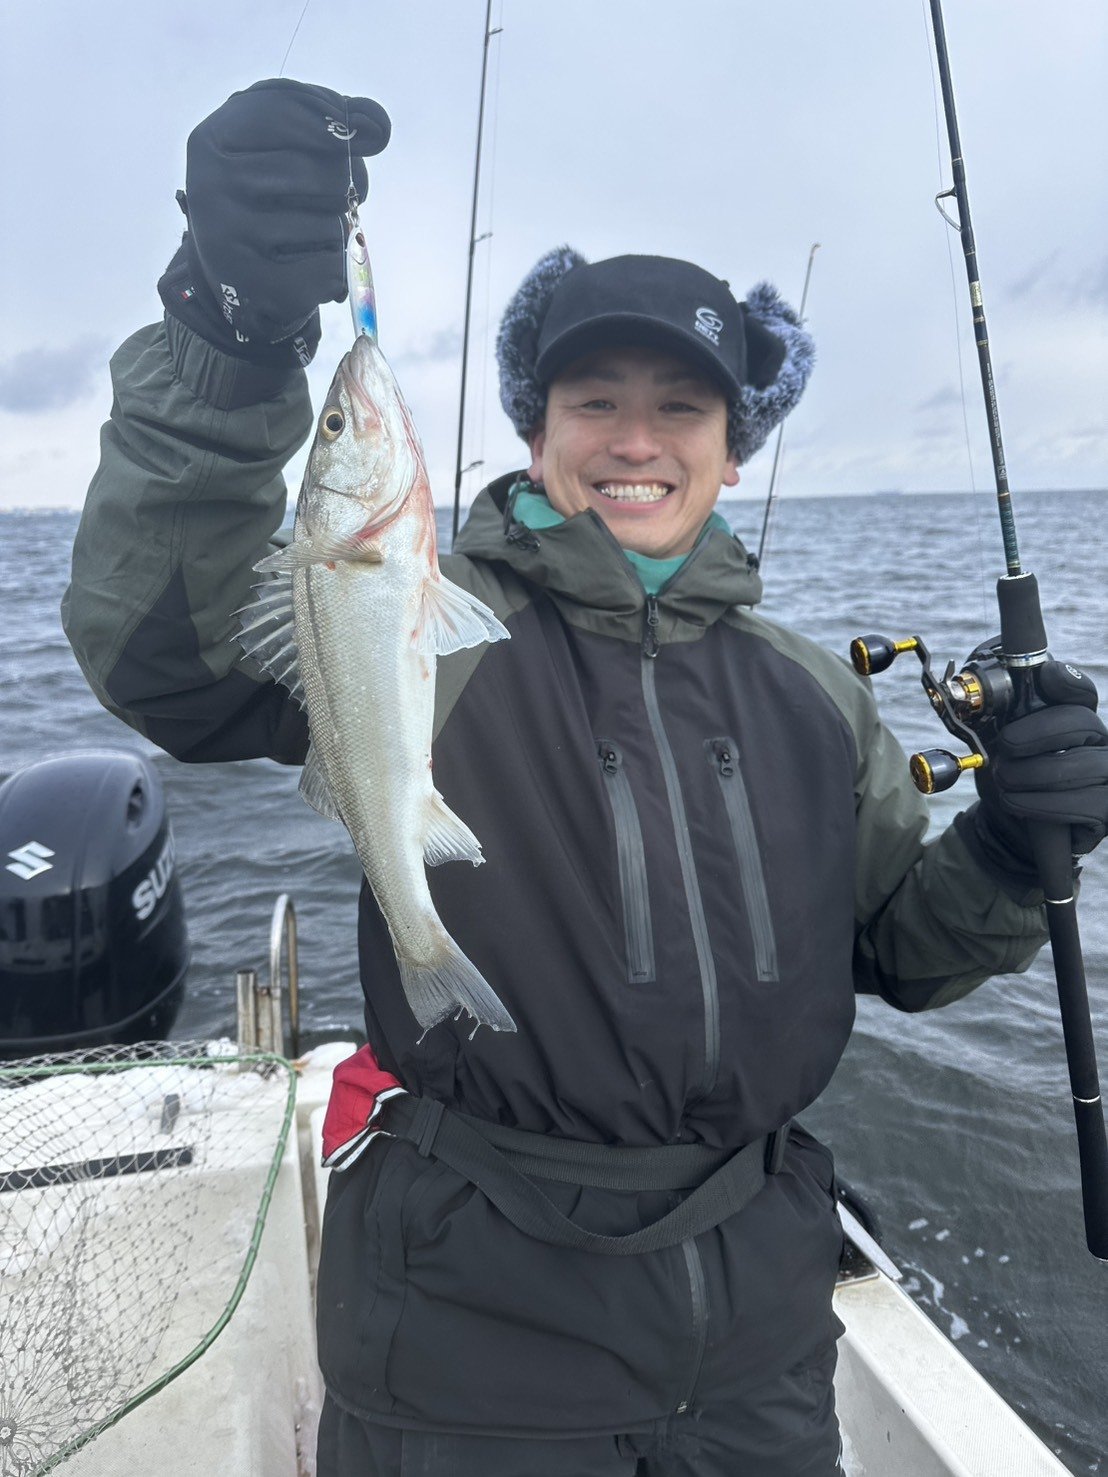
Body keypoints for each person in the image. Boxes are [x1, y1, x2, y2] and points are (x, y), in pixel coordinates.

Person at [64, 81, 1108, 1477]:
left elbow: (896, 955)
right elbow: (170, 661)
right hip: (470, 1318)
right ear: (534, 428)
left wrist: (1009, 851)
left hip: (758, 1329)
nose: (635, 438)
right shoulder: (438, 624)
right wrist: (229, 336)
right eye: (594, 400)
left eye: (682, 405)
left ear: (735, 447)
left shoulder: (813, 693)